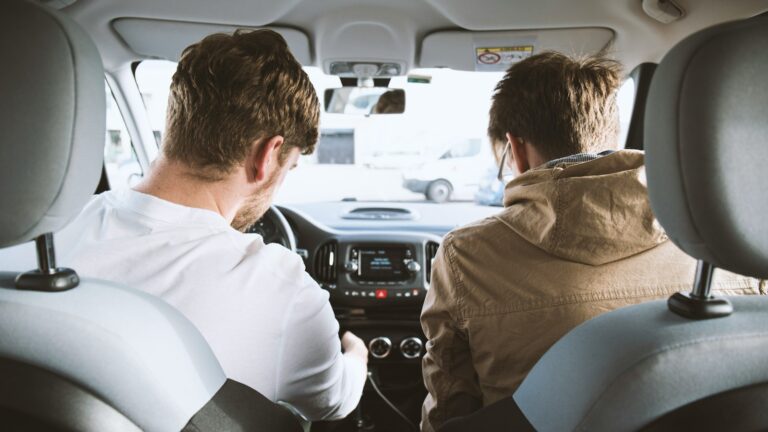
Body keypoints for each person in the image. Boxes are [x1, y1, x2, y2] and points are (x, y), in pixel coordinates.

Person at [419, 51, 762, 432]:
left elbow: (450, 406)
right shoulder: (731, 243)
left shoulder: (464, 255)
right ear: (611, 136)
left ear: (514, 149)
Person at [53, 29, 368, 421]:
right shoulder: (282, 288)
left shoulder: (41, 239)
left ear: (177, 125)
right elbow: (333, 402)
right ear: (268, 156)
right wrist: (356, 354)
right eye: (290, 168)